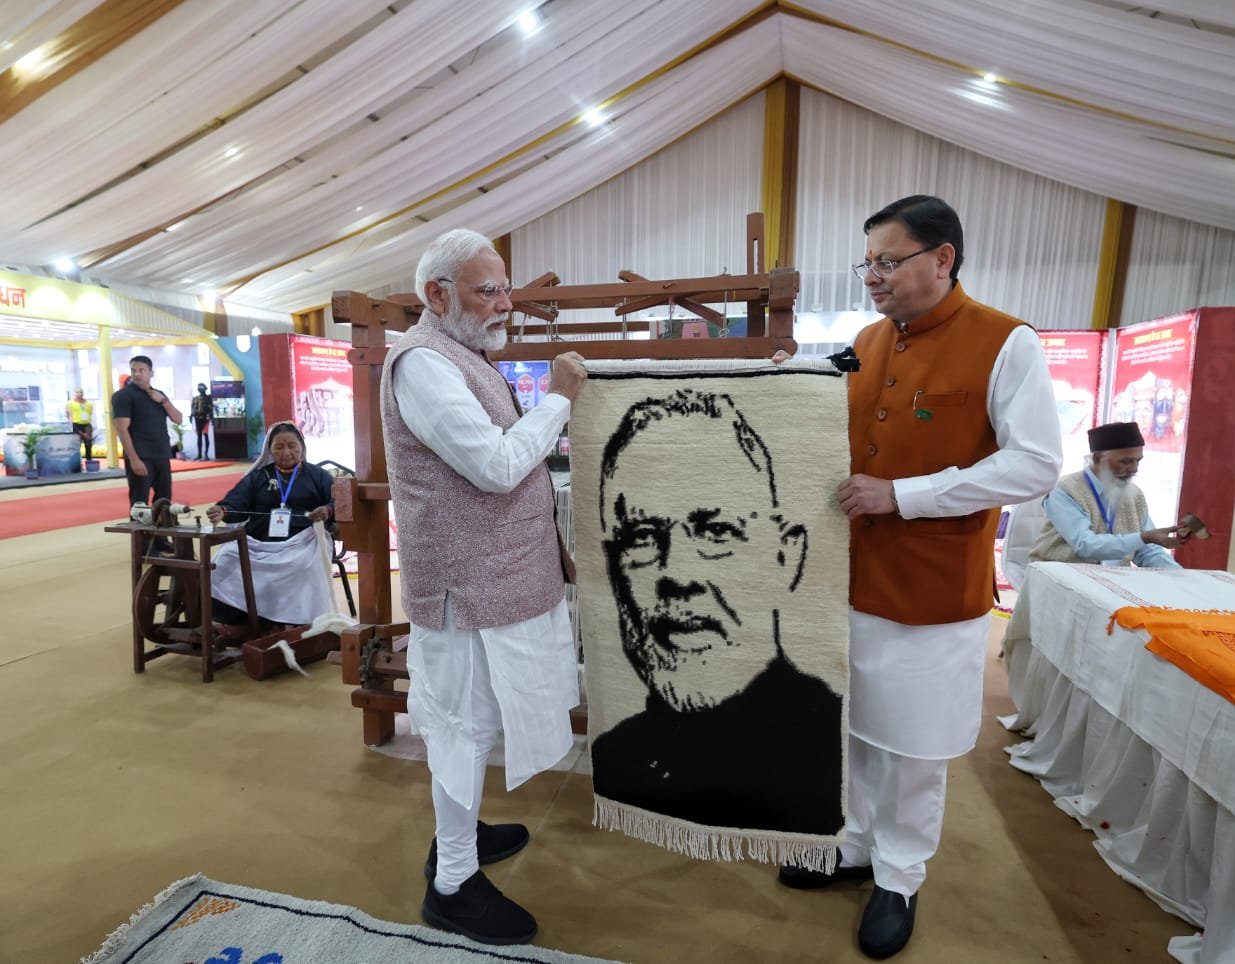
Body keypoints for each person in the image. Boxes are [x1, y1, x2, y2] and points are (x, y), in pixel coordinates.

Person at [775, 195, 1062, 959]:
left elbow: (1035, 464)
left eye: (888, 261)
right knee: (853, 726)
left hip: (933, 587)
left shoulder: (1005, 341)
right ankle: (853, 844)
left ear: (943, 258)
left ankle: (899, 875)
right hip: (850, 577)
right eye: (867, 263)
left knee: (914, 744)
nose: (873, 277)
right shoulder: (869, 341)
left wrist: (905, 495)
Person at [380, 228, 587, 946]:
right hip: (464, 592)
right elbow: (496, 467)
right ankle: (453, 883)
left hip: (495, 582)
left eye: (506, 289)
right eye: (487, 290)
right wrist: (558, 401)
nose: (504, 303)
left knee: (479, 720)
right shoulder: (423, 365)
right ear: (436, 295)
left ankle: (460, 834)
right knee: (460, 729)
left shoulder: (462, 355)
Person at [590, 389, 842, 835]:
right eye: (642, 538)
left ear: (786, 557)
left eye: (716, 532)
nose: (677, 573)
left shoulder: (831, 748)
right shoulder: (614, 757)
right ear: (612, 569)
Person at [205, 422, 336, 632]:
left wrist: (327, 510)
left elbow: (337, 501)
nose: (286, 453)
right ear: (269, 450)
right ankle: (238, 620)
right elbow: (236, 501)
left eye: (292, 446)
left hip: (302, 541)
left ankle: (294, 621)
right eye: (279, 447)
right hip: (258, 541)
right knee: (225, 558)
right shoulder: (258, 477)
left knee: (303, 565)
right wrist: (223, 510)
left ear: (302, 446)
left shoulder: (318, 475)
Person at [1029, 420, 1184, 569]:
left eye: (1138, 461)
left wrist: (1183, 577)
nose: (1134, 469)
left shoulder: (1134, 495)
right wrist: (1143, 537)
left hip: (1114, 578)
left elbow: (1148, 551)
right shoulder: (1065, 490)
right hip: (1060, 576)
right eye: (1126, 461)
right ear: (1098, 458)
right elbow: (1085, 545)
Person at [112, 356, 182, 551]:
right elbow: (122, 429)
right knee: (140, 503)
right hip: (140, 455)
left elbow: (178, 418)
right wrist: (134, 459)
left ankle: (160, 539)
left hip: (161, 454)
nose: (137, 374)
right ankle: (142, 546)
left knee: (163, 500)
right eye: (133, 370)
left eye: (141, 370)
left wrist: (164, 401)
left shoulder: (159, 395)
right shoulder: (123, 396)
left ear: (151, 373)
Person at [66, 387, 94, 462]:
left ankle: (89, 460)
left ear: (83, 393)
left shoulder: (89, 403)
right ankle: (77, 461)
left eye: (81, 392)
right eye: (77, 392)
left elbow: (90, 413)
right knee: (77, 444)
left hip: (86, 424)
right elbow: (68, 414)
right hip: (76, 425)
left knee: (88, 443)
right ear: (74, 394)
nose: (79, 394)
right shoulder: (70, 403)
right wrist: (71, 422)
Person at [190, 383, 214, 460]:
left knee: (206, 435)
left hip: (206, 419)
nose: (200, 390)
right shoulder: (195, 398)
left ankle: (206, 455)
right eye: (199, 389)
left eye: (202, 388)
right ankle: (199, 454)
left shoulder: (208, 398)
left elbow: (211, 409)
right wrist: (191, 416)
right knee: (199, 437)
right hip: (197, 419)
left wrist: (212, 418)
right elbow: (193, 408)